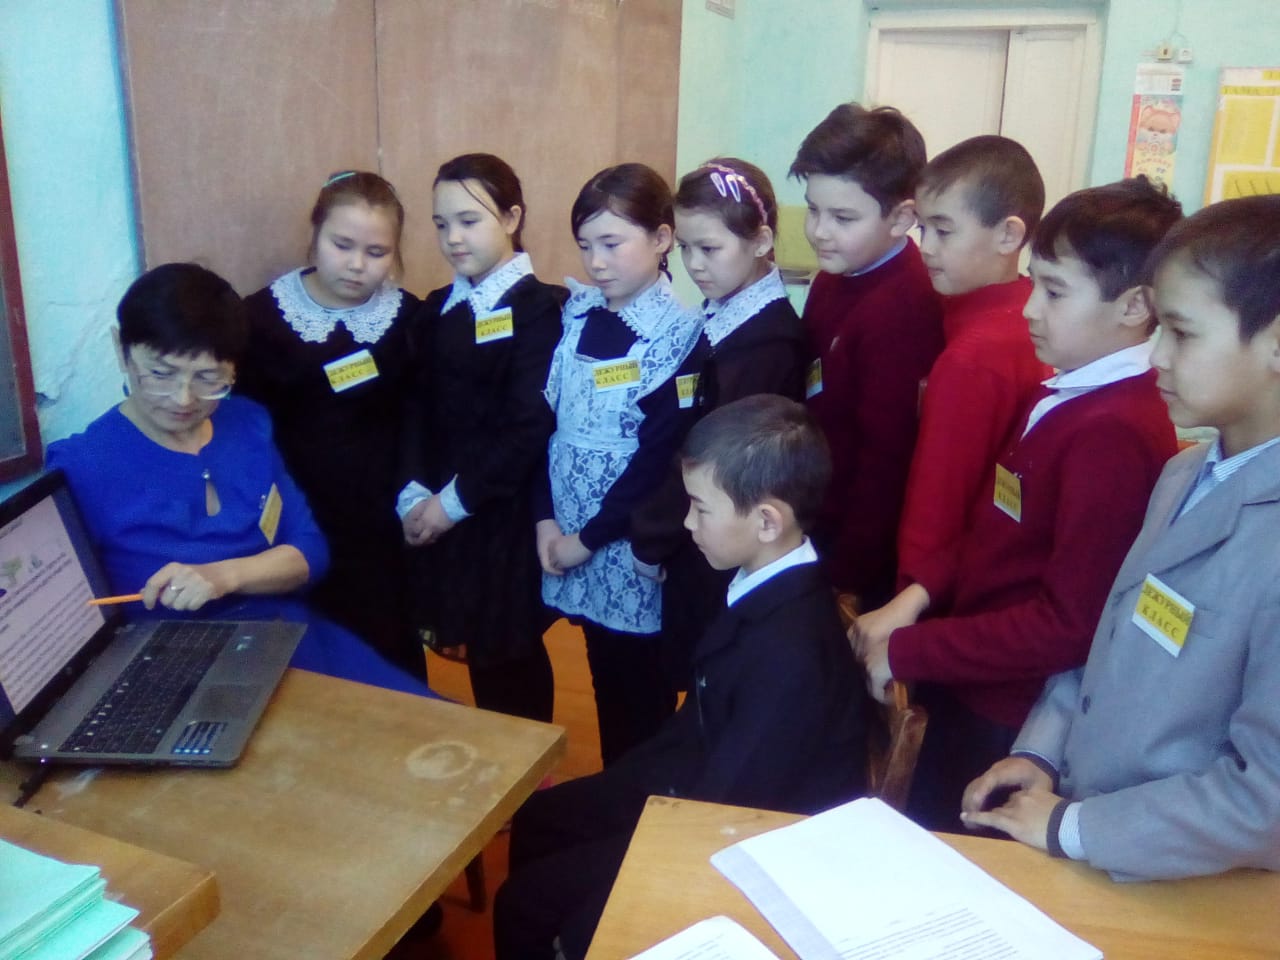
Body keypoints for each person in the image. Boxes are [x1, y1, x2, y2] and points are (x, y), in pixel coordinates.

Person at [960, 195, 1280, 880]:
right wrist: (1043, 751)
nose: (1156, 355)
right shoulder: (1183, 473)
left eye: (1183, 334)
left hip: (1191, 886)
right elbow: (1110, 637)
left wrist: (1074, 827)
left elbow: (1266, 799)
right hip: (1090, 837)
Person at [853, 177, 1182, 829]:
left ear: (1135, 306)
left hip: (1011, 717)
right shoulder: (1066, 390)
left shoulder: (1114, 432)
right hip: (970, 677)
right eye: (1035, 283)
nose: (1030, 309)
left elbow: (1068, 624)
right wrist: (915, 598)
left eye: (1055, 292)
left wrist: (915, 650)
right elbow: (991, 528)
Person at [496, 395, 867, 960]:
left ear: (767, 521)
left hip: (738, 835)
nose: (687, 523)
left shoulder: (792, 656)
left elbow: (727, 814)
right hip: (695, 774)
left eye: (700, 508)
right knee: (540, 820)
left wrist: (595, 919)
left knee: (523, 906)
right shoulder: (761, 576)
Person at [45, 262, 433, 697]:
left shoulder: (246, 423)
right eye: (160, 374)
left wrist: (223, 576)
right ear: (121, 350)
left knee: (437, 721)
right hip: (181, 672)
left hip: (289, 640)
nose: (183, 399)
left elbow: (309, 552)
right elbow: (62, 629)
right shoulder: (81, 466)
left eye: (208, 378)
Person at [536, 163, 705, 765]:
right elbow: (546, 427)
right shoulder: (576, 315)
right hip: (564, 534)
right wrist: (545, 520)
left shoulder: (679, 333)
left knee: (639, 697)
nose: (596, 262)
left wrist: (588, 539)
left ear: (662, 238)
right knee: (601, 676)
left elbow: (658, 457)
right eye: (585, 246)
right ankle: (613, 791)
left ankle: (639, 802)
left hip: (624, 547)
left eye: (611, 244)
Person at [859, 135, 1050, 656]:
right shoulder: (1015, 313)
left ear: (1009, 234)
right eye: (923, 228)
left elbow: (937, 510)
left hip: (945, 607)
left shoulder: (975, 356)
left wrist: (908, 609)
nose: (927, 247)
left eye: (944, 230)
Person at [398, 153, 565, 723]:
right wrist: (412, 492)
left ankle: (529, 768)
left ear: (512, 217)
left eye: (469, 221)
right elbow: (414, 409)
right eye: (441, 224)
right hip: (441, 506)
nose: (453, 238)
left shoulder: (540, 310)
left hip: (501, 510)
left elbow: (529, 424)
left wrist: (450, 504)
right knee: (475, 649)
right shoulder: (435, 311)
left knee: (508, 653)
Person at [238, 171, 424, 679]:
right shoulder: (260, 320)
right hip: (298, 521)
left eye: (377, 252)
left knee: (390, 659)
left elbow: (422, 419)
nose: (357, 265)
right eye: (342, 245)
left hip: (382, 526)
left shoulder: (409, 320)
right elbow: (245, 431)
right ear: (315, 232)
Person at [631, 157, 807, 689]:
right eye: (685, 248)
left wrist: (652, 536)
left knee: (707, 682)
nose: (694, 265)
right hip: (692, 531)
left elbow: (712, 455)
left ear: (760, 241)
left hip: (720, 540)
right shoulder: (723, 314)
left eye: (709, 249)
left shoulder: (766, 342)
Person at [788, 102, 944, 609]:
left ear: (901, 217)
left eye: (843, 217)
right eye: (813, 210)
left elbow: (886, 464)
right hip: (814, 513)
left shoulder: (903, 308)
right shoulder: (835, 275)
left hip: (854, 554)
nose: (819, 231)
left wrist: (846, 577)